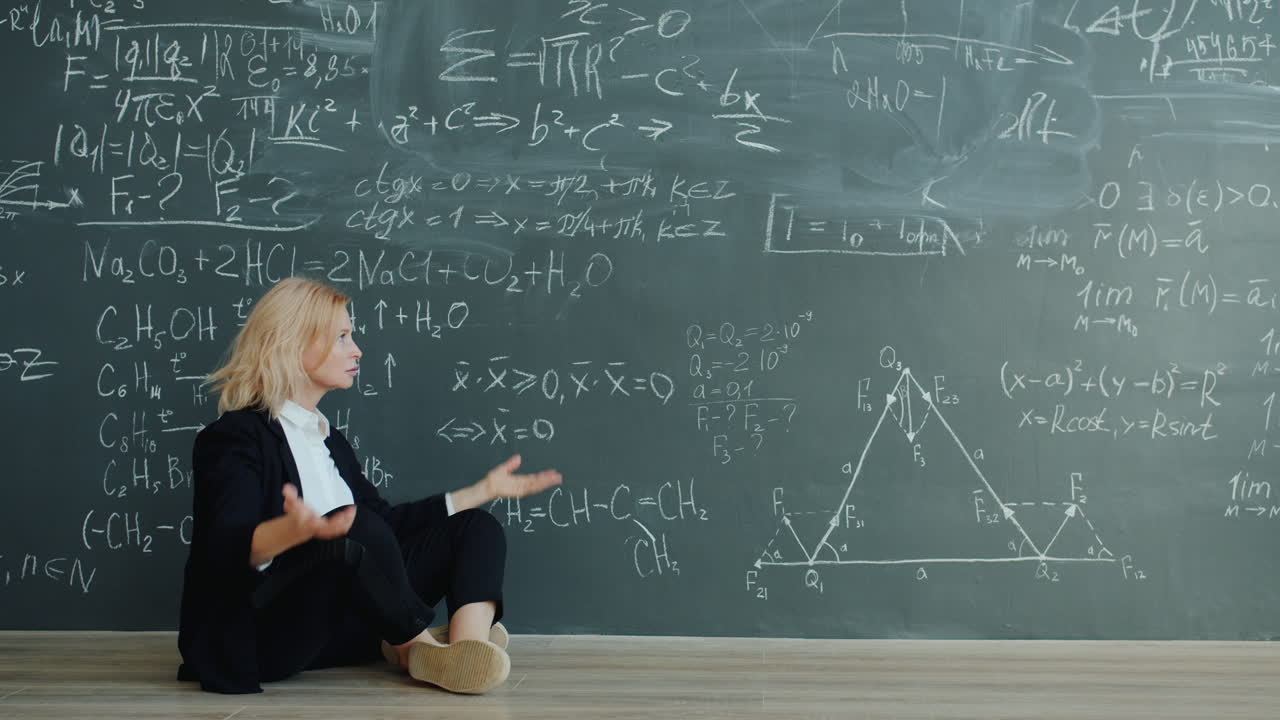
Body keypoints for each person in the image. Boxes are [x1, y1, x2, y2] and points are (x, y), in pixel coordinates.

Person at [176, 276, 561, 695]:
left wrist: (482, 490)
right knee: (354, 527)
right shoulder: (235, 436)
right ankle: (418, 646)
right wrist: (300, 530)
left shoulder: (328, 439)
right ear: (292, 344)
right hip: (264, 636)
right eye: (342, 337)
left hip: (342, 628)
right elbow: (229, 546)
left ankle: (466, 650)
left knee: (475, 527)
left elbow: (387, 526)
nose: (356, 349)